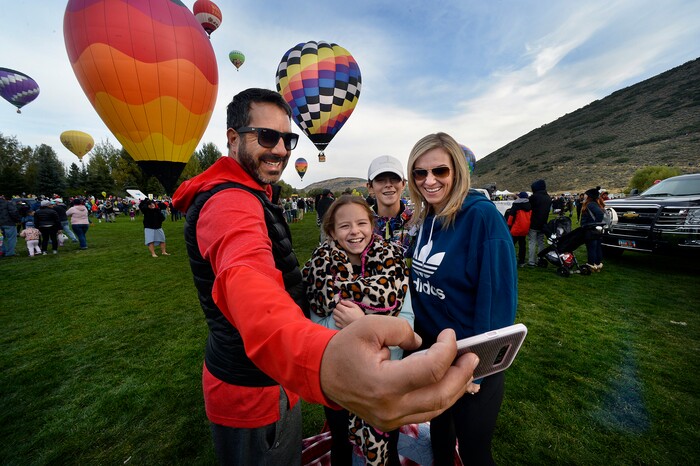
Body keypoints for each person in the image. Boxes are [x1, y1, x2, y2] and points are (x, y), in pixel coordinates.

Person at [171, 88, 479, 465]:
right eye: (267, 136)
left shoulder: (255, 194)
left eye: (288, 138)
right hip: (252, 387)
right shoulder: (230, 201)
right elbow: (247, 282)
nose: (281, 149)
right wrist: (322, 359)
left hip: (273, 375)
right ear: (233, 138)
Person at [406, 132, 517, 466]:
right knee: (440, 441)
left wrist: (476, 370)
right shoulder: (426, 218)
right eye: (420, 173)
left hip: (471, 362)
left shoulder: (483, 218)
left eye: (440, 171)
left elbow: (497, 303)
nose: (429, 180)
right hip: (433, 356)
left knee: (473, 451)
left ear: (457, 171)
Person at [303, 195, 412, 466]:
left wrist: (360, 323)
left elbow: (407, 325)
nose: (355, 231)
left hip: (387, 375)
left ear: (372, 225)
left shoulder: (393, 265)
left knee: (389, 439)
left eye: (362, 223)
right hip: (340, 378)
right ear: (331, 231)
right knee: (340, 440)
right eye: (345, 226)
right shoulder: (320, 273)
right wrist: (374, 327)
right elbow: (317, 330)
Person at [366, 155, 413, 253]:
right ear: (370, 187)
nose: (388, 184)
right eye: (380, 180)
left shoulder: (418, 223)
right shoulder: (360, 223)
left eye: (394, 178)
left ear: (403, 184)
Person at [527, 179, 552, 267]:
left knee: (532, 242)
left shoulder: (534, 197)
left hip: (533, 223)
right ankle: (541, 259)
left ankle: (531, 261)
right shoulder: (548, 197)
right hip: (543, 224)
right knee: (541, 242)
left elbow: (528, 208)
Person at [504, 191, 532, 267]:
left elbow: (511, 217)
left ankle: (507, 259)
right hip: (525, 228)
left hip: (516, 227)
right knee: (522, 245)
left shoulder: (516, 205)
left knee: (511, 244)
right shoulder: (529, 205)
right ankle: (521, 261)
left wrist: (508, 226)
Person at [580, 188, 605, 271]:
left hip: (591, 229)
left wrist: (595, 224)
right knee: (597, 247)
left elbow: (599, 214)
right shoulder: (595, 204)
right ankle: (598, 264)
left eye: (586, 194)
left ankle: (591, 264)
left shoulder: (590, 204)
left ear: (589, 196)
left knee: (591, 247)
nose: (584, 196)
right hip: (595, 229)